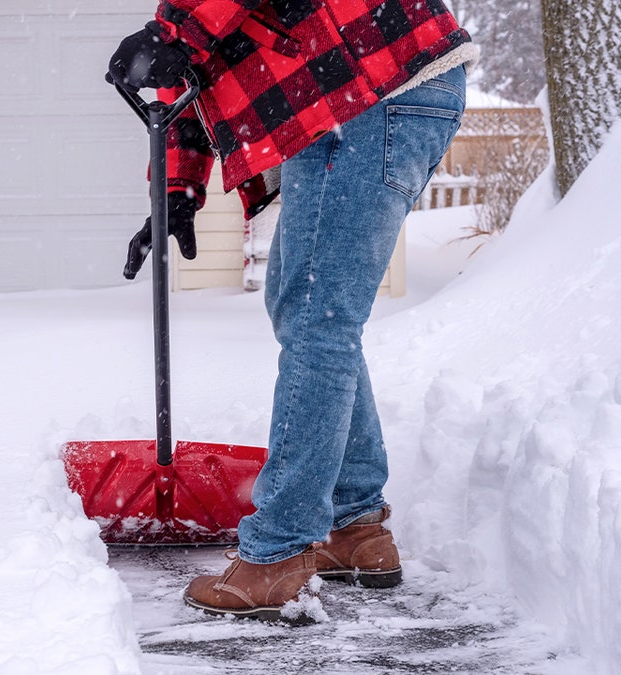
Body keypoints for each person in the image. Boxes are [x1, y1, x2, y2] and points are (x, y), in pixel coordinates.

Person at [108, 0, 479, 622]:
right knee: (304, 308)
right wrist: (175, 189)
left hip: (376, 80)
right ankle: (354, 527)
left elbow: (188, 41)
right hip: (340, 95)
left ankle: (279, 553)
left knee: (319, 318)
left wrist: (173, 30)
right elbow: (187, 80)